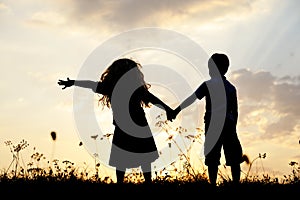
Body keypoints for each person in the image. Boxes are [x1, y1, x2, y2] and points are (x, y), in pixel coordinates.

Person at [58, 58, 173, 183]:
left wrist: (73, 82)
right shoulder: (131, 87)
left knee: (123, 160)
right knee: (141, 158)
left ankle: (122, 183)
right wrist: (168, 109)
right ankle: (147, 182)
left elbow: (91, 84)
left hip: (126, 126)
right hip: (137, 126)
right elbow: (152, 98)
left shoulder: (111, 87)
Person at [169, 53, 244, 186]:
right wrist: (233, 126)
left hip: (213, 123)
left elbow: (192, 98)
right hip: (228, 123)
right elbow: (235, 111)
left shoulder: (208, 85)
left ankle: (213, 184)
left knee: (212, 156)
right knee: (234, 157)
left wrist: (176, 110)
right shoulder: (231, 88)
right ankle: (236, 184)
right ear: (226, 69)